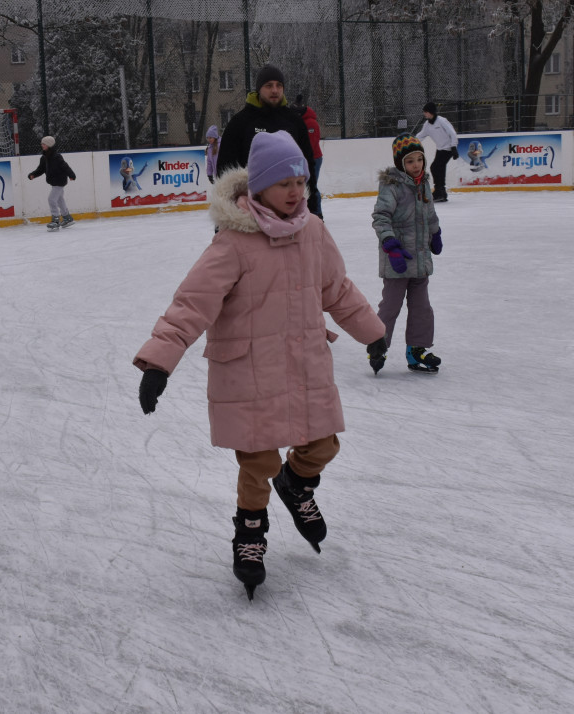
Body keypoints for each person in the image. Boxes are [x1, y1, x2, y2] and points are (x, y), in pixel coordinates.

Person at [133, 131, 385, 600]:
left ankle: (297, 486)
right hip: (249, 371)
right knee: (257, 462)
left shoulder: (312, 230)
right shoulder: (233, 242)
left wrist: (373, 331)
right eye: (285, 181)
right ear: (259, 187)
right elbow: (192, 303)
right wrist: (159, 363)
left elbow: (338, 289)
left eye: (301, 181)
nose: (295, 191)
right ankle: (250, 535)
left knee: (323, 444)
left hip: (304, 363)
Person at [369, 134, 443, 374]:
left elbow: (430, 214)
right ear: (401, 163)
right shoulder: (392, 185)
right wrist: (390, 244)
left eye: (419, 159)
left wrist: (436, 233)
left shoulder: (424, 183)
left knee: (422, 308)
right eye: (410, 161)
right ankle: (378, 346)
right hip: (398, 260)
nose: (416, 165)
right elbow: (381, 217)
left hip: (420, 260)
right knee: (390, 307)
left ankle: (417, 350)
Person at [215, 65, 320, 217]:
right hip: (250, 210)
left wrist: (313, 209)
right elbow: (226, 170)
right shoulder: (240, 122)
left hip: (290, 208)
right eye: (269, 85)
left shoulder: (294, 122)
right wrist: (228, 214)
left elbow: (307, 164)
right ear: (259, 89)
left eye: (279, 85)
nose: (275, 90)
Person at [27, 136, 76, 230]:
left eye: (44, 144)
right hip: (53, 182)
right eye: (42, 143)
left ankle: (55, 219)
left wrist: (71, 175)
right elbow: (40, 169)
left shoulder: (57, 157)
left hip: (59, 181)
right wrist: (33, 174)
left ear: (49, 145)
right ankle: (67, 218)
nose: (42, 145)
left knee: (51, 199)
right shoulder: (44, 158)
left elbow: (65, 166)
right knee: (59, 199)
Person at [416, 102, 458, 202]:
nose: (424, 114)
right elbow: (421, 135)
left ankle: (440, 191)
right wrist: (411, 141)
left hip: (448, 149)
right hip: (440, 149)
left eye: (425, 112)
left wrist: (454, 147)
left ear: (431, 112)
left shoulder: (442, 121)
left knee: (436, 167)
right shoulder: (427, 124)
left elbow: (452, 133)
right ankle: (441, 192)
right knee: (437, 168)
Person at [295, 95, 324, 217]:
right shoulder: (302, 122)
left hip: (314, 159)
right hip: (307, 158)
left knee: (312, 185)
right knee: (307, 185)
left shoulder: (311, 123)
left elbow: (311, 144)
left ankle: (317, 212)